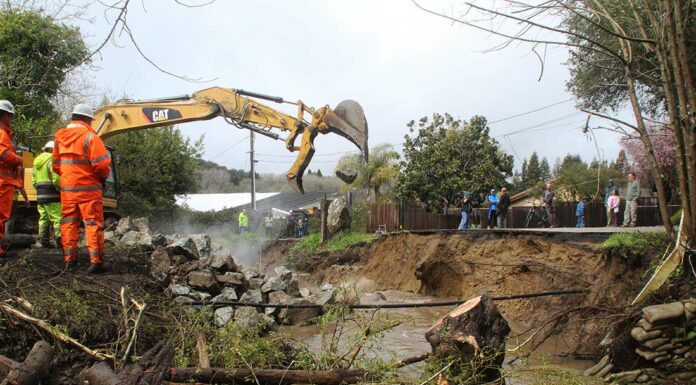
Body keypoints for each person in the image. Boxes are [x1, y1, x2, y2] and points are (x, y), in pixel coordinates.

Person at [53, 104, 112, 273]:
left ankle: (70, 261)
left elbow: (56, 165)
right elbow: (102, 165)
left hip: (67, 190)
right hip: (88, 189)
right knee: (92, 224)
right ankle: (96, 262)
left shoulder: (60, 138)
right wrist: (101, 178)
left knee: (69, 224)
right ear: (87, 119)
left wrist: (69, 177)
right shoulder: (90, 138)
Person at [0, 100, 28, 258]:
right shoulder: (1, 133)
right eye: (10, 116)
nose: (11, 119)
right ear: (4, 115)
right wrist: (19, 159)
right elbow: (4, 154)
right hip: (2, 183)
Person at [33, 141, 62, 248]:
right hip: (52, 194)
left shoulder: (36, 161)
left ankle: (43, 240)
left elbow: (34, 181)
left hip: (40, 195)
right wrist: (60, 189)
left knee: (43, 218)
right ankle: (61, 240)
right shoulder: (51, 159)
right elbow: (56, 178)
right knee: (57, 218)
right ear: (52, 150)